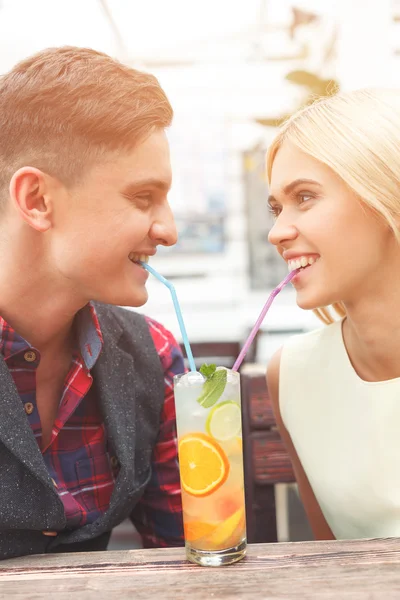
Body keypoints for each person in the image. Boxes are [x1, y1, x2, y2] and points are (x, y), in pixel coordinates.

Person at [0, 46, 185, 559]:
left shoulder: (154, 355)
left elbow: (190, 561)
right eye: (143, 198)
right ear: (36, 200)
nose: (169, 230)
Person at [265, 88, 400, 541]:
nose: (278, 231)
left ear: (385, 197)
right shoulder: (293, 374)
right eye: (276, 208)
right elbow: (332, 564)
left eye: (304, 197)